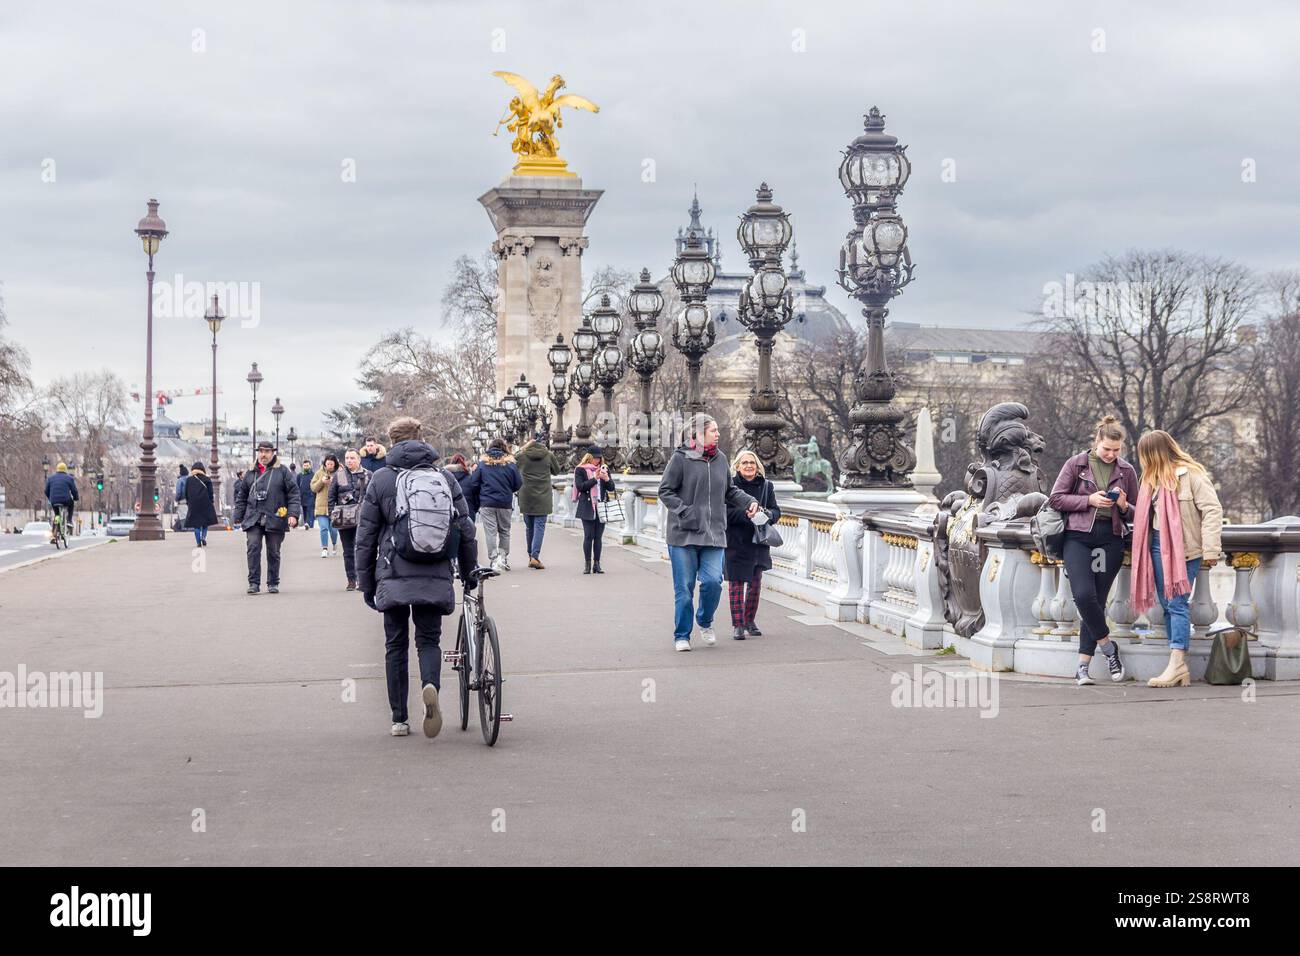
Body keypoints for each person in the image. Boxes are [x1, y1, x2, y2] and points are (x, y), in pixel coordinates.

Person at [355, 416, 477, 738]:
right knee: (428, 639)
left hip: (392, 572)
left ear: (391, 442)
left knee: (395, 644)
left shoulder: (381, 479)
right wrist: (468, 573)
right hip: (434, 571)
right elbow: (464, 529)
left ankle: (399, 719)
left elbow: (365, 537)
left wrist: (366, 583)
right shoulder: (443, 478)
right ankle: (430, 687)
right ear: (422, 438)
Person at [1047, 415, 1140, 685]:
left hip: (1110, 538)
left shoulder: (1127, 471)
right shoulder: (1076, 464)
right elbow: (1055, 499)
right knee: (1084, 596)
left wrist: (1123, 506)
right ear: (1096, 442)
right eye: (1106, 449)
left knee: (1097, 601)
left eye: (1116, 450)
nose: (1111, 455)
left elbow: (1138, 511)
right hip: (1077, 536)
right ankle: (1109, 648)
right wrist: (1088, 500)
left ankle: (1082, 667)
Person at [1130, 430, 1224, 688]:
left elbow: (1213, 510)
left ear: (1153, 453)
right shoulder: (1151, 480)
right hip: (1158, 547)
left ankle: (1177, 662)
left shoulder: (1191, 474)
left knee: (1177, 603)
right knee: (1167, 604)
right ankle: (1177, 665)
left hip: (1185, 550)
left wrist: (1211, 549)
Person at [658, 415, 758, 651]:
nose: (718, 434)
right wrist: (685, 512)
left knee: (713, 582)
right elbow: (665, 490)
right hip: (684, 534)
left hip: (714, 533)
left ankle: (704, 620)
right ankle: (682, 635)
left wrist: (750, 501)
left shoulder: (721, 459)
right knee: (684, 588)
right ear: (698, 434)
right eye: (713, 430)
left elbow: (730, 492)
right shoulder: (680, 459)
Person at [724, 450, 781, 640]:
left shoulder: (766, 486)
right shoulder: (730, 486)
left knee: (755, 584)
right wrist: (745, 515)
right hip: (736, 541)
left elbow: (776, 511)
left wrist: (768, 514)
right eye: (745, 463)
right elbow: (723, 514)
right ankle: (738, 624)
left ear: (758, 467)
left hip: (759, 541)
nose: (749, 466)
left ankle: (749, 621)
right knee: (736, 583)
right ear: (737, 466)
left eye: (752, 463)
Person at [231, 441, 300, 594]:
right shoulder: (250, 473)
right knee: (253, 547)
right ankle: (254, 583)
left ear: (273, 453)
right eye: (261, 451)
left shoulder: (283, 471)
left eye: (267, 451)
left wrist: (293, 514)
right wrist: (238, 516)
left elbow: (294, 494)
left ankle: (273, 582)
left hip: (275, 516)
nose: (263, 454)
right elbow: (242, 496)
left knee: (273, 551)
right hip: (253, 517)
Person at [467, 437, 522, 571]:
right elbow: (518, 484)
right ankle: (503, 558)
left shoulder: (482, 464)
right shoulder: (511, 464)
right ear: (504, 448)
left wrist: (482, 491)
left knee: (490, 532)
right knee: (504, 531)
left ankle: (494, 559)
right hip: (505, 502)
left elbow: (473, 483)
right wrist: (508, 490)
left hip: (487, 503)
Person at [518, 432, 562, 569]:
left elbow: (512, 467)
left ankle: (531, 555)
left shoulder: (521, 456)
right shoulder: (548, 455)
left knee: (529, 527)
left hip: (526, 495)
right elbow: (556, 471)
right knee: (539, 527)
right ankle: (535, 556)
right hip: (543, 496)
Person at [328, 449, 371, 590]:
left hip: (364, 518)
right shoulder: (339, 475)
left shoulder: (367, 475)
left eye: (352, 458)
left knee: (362, 549)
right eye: (347, 458)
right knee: (348, 551)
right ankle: (351, 580)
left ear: (359, 459)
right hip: (344, 520)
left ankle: (362, 579)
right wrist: (331, 515)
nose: (349, 461)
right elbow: (331, 497)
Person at [572, 446, 616, 574]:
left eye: (599, 458)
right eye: (596, 458)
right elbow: (580, 487)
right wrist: (595, 478)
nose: (598, 460)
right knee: (588, 536)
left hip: (601, 506)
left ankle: (597, 564)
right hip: (587, 506)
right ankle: (587, 564)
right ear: (590, 457)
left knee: (598, 537)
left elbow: (611, 488)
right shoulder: (580, 470)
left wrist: (606, 478)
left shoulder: (604, 468)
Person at [182, 461, 217, 547]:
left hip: (193, 504)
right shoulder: (207, 479)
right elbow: (210, 492)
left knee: (196, 524)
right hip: (205, 503)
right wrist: (211, 501)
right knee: (205, 522)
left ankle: (198, 542)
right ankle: (203, 537)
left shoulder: (189, 480)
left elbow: (186, 493)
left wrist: (188, 502)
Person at [311, 455, 340, 557]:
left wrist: (334, 482)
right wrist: (321, 481)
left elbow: (345, 487)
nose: (330, 466)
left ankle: (334, 544)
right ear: (324, 464)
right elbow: (313, 488)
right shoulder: (319, 473)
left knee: (333, 530)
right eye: (328, 464)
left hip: (335, 506)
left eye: (332, 464)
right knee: (323, 528)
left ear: (335, 464)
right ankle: (324, 548)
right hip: (321, 506)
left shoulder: (339, 473)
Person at [43, 462, 79, 535]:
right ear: (65, 470)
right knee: (71, 503)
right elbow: (74, 490)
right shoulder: (69, 478)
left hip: (54, 500)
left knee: (57, 515)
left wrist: (50, 498)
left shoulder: (50, 478)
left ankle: (54, 534)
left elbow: (46, 490)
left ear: (57, 469)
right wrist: (76, 498)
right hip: (65, 500)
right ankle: (69, 520)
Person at [446, 453, 478, 522]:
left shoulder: (445, 478)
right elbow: (476, 496)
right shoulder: (471, 478)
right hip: (469, 513)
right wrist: (474, 509)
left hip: (451, 515)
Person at [297, 459, 316, 529]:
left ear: (310, 466)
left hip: (311, 496)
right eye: (304, 465)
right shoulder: (299, 475)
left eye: (307, 465)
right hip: (303, 496)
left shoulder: (313, 475)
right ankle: (306, 523)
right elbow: (297, 485)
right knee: (304, 510)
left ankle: (310, 524)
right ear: (302, 466)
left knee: (310, 510)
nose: (306, 467)